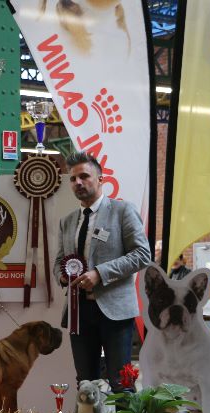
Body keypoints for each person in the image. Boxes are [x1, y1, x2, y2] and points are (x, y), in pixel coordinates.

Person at [53, 151, 151, 391]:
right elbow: (58, 261)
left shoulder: (122, 211)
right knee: (85, 384)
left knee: (122, 382)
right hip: (79, 313)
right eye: (73, 179)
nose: (78, 183)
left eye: (84, 176)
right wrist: (64, 275)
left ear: (100, 179)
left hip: (115, 312)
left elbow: (142, 255)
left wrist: (100, 273)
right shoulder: (67, 221)